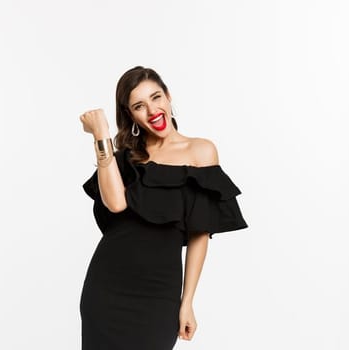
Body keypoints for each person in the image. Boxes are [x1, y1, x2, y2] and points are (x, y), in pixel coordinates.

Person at [78, 66, 249, 349]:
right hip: (106, 288)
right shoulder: (124, 159)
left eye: (156, 97)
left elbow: (199, 233)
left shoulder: (201, 151)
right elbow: (116, 203)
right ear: (131, 115)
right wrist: (100, 134)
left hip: (159, 293)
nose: (152, 110)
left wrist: (187, 302)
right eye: (139, 106)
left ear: (168, 96)